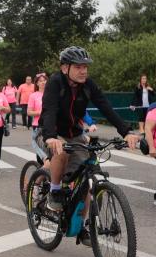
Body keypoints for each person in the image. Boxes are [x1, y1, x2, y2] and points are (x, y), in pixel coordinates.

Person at [40, 47, 139, 219]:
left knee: (84, 182)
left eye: (85, 66)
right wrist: (50, 136)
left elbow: (106, 107)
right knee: (61, 152)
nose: (83, 70)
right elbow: (49, 110)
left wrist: (126, 132)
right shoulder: (55, 83)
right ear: (65, 68)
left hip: (75, 133)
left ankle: (84, 226)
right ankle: (54, 192)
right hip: (53, 132)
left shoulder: (88, 85)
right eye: (78, 67)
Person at [25, 73, 49, 164]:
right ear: (37, 83)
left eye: (44, 80)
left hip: (50, 124)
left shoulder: (51, 94)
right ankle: (41, 168)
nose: (43, 82)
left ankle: (47, 168)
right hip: (37, 125)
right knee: (38, 146)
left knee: (48, 147)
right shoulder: (33, 95)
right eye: (40, 81)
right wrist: (40, 112)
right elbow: (29, 112)